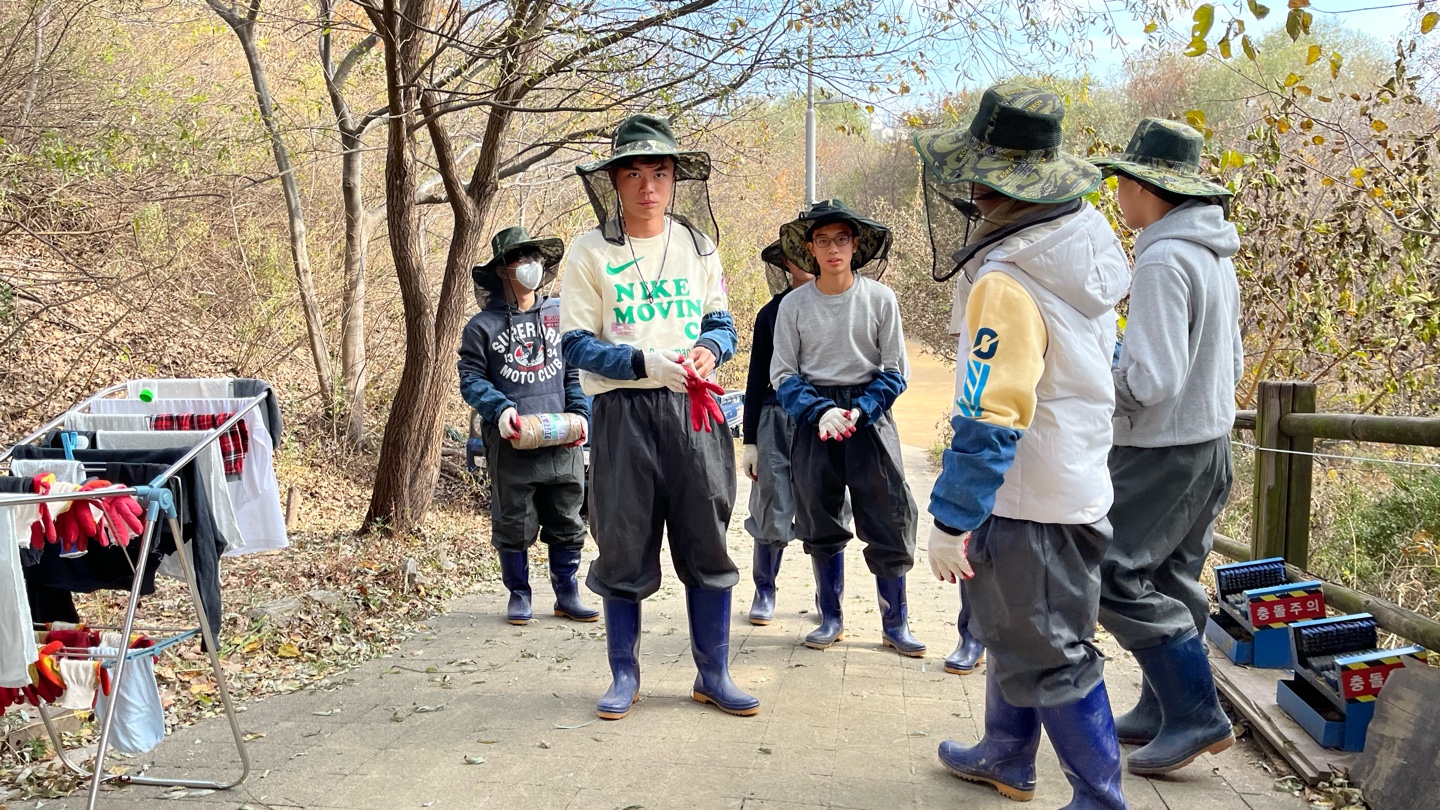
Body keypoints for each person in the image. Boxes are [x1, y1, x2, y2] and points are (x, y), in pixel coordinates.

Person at [916, 83, 1131, 808]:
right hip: (1071, 485)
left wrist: (951, 517)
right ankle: (1006, 753)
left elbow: (989, 414)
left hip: (1029, 498)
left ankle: (1099, 798)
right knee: (1018, 633)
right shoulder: (1082, 242)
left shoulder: (1008, 281)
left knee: (1051, 653)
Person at [559, 113, 757, 720]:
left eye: (661, 172)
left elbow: (720, 320)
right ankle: (624, 674)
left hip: (695, 412)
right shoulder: (589, 251)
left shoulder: (699, 245)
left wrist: (710, 349)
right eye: (635, 172)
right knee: (622, 543)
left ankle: (714, 673)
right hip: (622, 414)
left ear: (675, 179)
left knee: (707, 539)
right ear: (615, 181)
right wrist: (642, 360)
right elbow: (574, 345)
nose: (649, 185)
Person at [1091, 118, 1241, 775]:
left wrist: (1099, 383)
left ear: (1151, 188)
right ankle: (1162, 709)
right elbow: (1229, 360)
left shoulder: (1160, 256)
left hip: (1161, 450)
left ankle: (1195, 714)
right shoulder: (1212, 254)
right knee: (1173, 575)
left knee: (1110, 572)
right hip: (1211, 444)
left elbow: (1151, 380)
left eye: (1122, 182)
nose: (1117, 194)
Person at [770, 199, 925, 657]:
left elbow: (896, 368)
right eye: (823, 241)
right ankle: (831, 616)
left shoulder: (880, 299)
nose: (833, 249)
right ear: (810, 249)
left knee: (889, 514)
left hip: (870, 416)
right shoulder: (793, 305)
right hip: (814, 417)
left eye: (841, 239)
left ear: (855, 245)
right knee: (819, 516)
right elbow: (783, 374)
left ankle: (895, 623)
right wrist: (819, 412)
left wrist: (861, 409)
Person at [458, 226, 596, 627]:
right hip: (511, 441)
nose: (530, 267)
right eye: (521, 259)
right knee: (513, 521)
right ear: (502, 270)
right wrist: (498, 409)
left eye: (535, 259)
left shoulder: (560, 316)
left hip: (562, 439)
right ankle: (519, 594)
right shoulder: (480, 327)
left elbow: (575, 374)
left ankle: (566, 592)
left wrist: (581, 414)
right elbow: (471, 378)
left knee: (569, 519)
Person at [740, 241, 815, 625]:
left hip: (824, 419)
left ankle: (828, 600)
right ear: (785, 262)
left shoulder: (841, 303)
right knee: (771, 503)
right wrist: (749, 440)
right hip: (774, 417)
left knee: (826, 507)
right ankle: (764, 590)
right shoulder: (769, 313)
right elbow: (755, 379)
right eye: (795, 255)